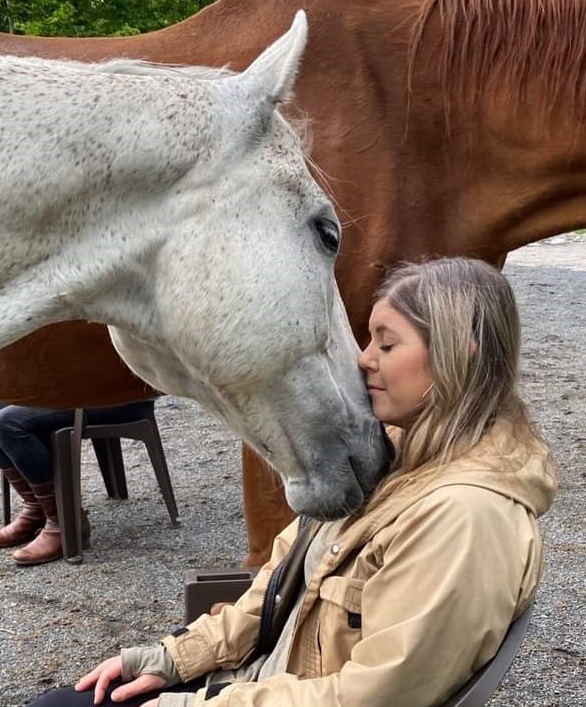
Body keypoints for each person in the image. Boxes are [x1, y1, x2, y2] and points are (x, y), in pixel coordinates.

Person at [29, 258, 557, 707]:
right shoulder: (396, 459)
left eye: (386, 344)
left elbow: (376, 695)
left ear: (459, 352)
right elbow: (279, 582)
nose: (363, 359)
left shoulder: (464, 517)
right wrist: (174, 659)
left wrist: (196, 702)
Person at [0, 399, 156, 566]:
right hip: (73, 392)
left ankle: (63, 522)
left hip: (118, 397)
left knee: (8, 422)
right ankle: (36, 509)